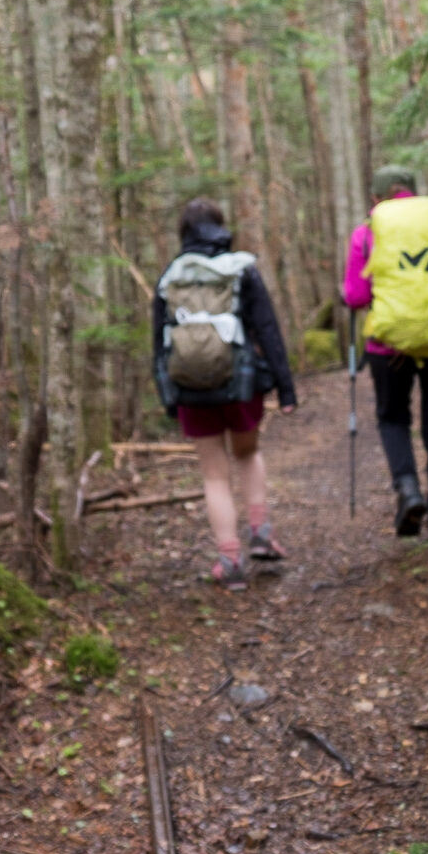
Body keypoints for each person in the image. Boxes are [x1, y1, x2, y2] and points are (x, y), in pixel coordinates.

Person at [151, 198, 298, 591]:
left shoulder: (170, 277)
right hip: (241, 382)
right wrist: (285, 388)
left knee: (214, 475)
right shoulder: (241, 270)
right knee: (248, 452)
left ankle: (230, 559)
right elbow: (267, 330)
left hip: (190, 387)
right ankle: (261, 532)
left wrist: (168, 397)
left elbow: (159, 343)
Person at [341, 166, 428, 543]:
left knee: (393, 419)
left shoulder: (366, 233)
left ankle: (407, 490)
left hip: (388, 346)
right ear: (415, 193)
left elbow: (356, 297)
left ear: (375, 198)